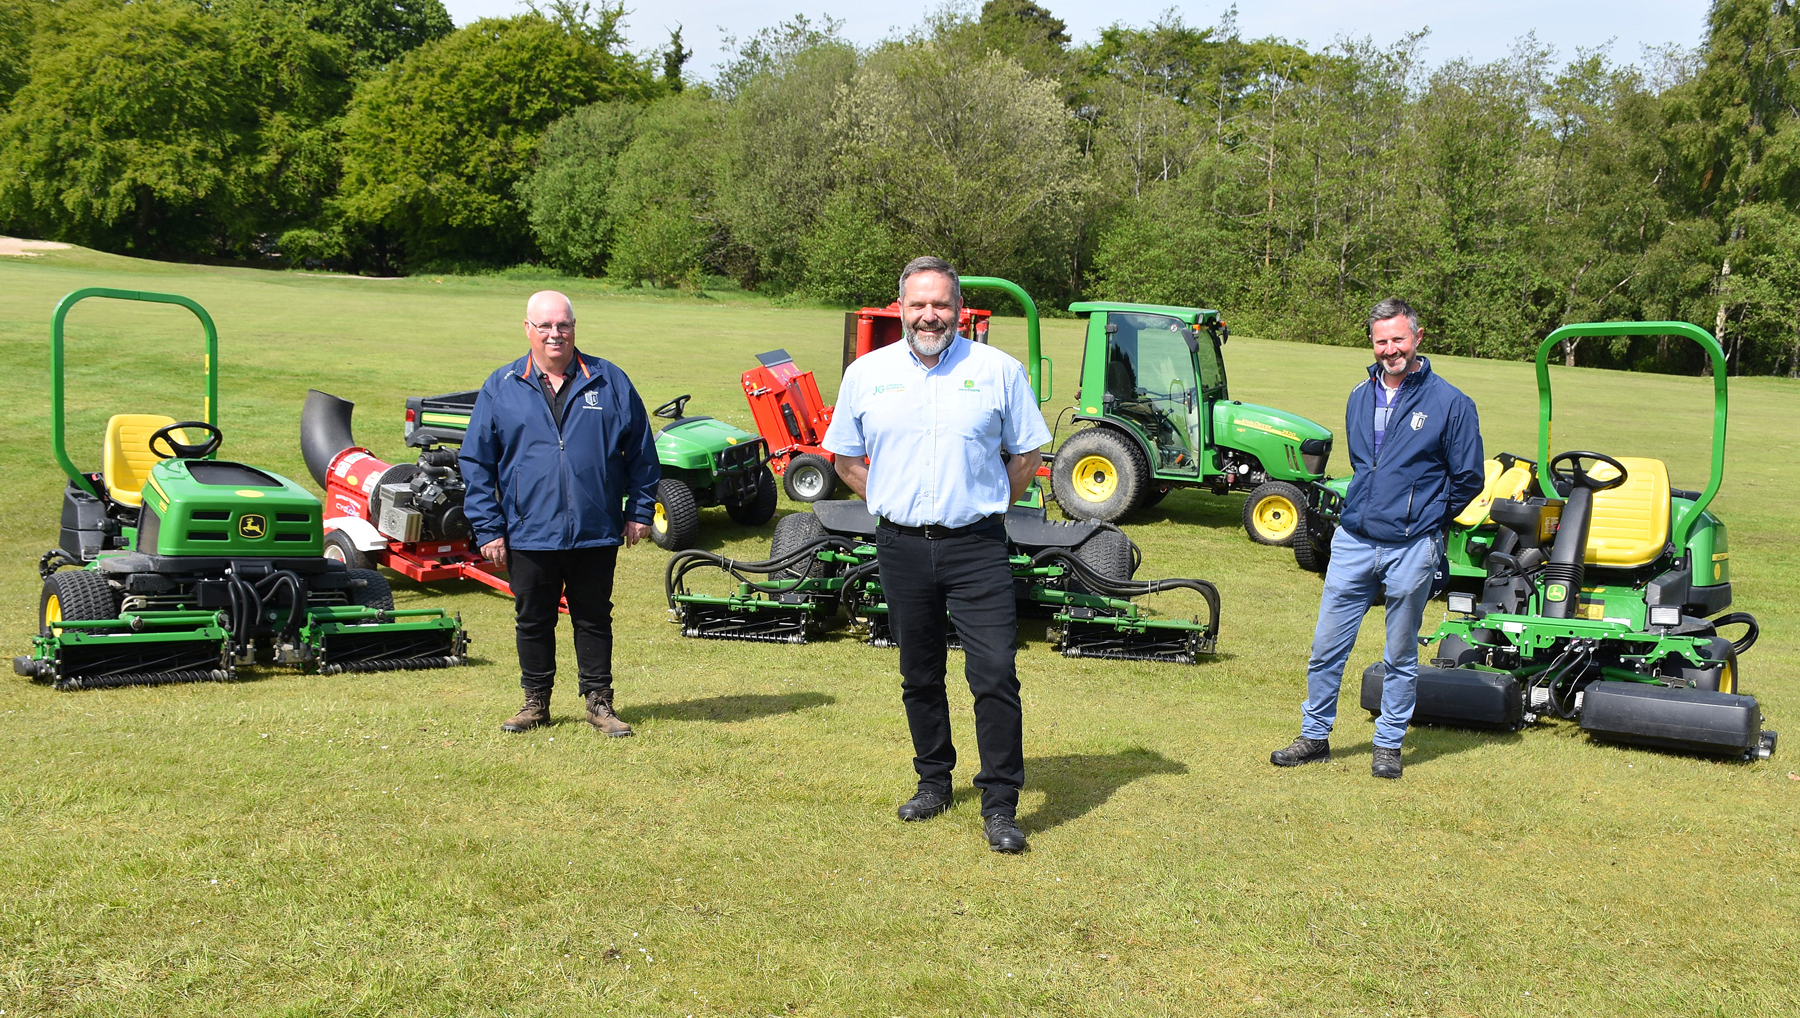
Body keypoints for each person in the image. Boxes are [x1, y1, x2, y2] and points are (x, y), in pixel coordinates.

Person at [821, 256, 1051, 853]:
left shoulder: (998, 371)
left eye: (941, 305)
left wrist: (992, 500)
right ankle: (934, 782)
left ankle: (1000, 805)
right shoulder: (865, 374)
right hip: (899, 546)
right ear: (901, 308)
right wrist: (891, 499)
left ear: (959, 310)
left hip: (976, 546)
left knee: (995, 673)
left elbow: (1026, 454)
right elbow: (845, 460)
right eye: (918, 304)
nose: (930, 315)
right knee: (918, 673)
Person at [1270, 298, 1484, 779]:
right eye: (1381, 340)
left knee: (1399, 654)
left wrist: (1426, 520)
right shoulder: (1358, 395)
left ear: (1418, 337)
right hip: (1354, 539)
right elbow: (1366, 467)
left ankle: (1388, 744)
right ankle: (1314, 736)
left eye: (1398, 339)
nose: (1391, 350)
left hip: (1412, 546)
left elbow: (1468, 479)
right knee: (1326, 647)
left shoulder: (1451, 404)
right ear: (1373, 343)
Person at [460, 291, 659, 737]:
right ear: (527, 329)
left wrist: (639, 510)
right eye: (545, 325)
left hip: (594, 528)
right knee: (534, 618)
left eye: (563, 324)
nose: (555, 333)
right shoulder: (503, 385)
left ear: (575, 327)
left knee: (593, 616)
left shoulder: (610, 381)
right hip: (528, 530)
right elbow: (476, 462)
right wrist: (489, 527)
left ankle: (599, 703)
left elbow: (642, 453)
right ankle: (536, 702)